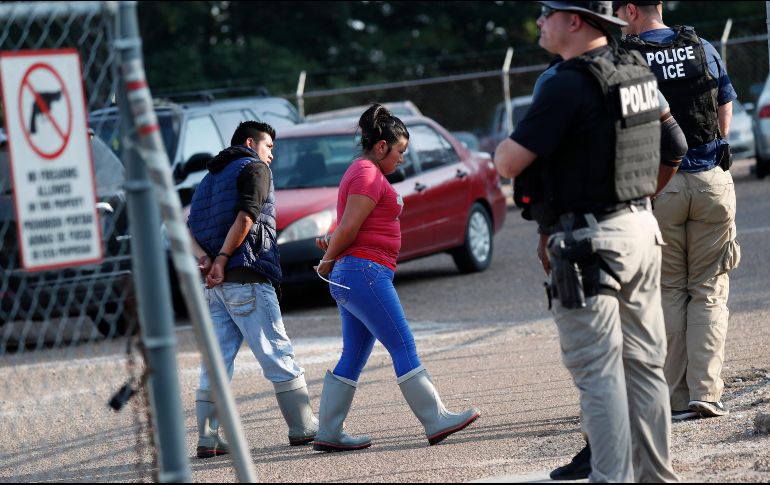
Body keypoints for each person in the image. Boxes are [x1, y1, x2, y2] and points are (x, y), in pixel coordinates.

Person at [495, 2, 680, 481]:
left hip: (593, 242)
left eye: (546, 12)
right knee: (644, 367)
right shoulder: (635, 69)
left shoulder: (567, 82)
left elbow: (508, 163)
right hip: (641, 229)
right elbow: (675, 145)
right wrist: (638, 200)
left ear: (574, 20)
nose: (538, 22)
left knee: (598, 374)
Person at [311, 104, 480, 452]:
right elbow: (350, 226)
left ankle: (329, 431)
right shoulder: (368, 174)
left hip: (356, 273)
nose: (403, 159)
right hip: (364, 273)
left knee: (353, 355)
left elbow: (349, 227)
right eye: (400, 151)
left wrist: (332, 246)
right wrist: (328, 258)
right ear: (381, 146)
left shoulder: (362, 173)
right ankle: (435, 419)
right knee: (403, 346)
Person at [613, 0, 741, 423]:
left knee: (668, 289)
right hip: (711, 181)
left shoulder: (624, 59)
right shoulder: (702, 47)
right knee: (708, 288)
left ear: (630, 10)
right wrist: (708, 149)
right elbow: (725, 107)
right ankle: (707, 392)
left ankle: (675, 397)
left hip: (659, 186)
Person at [187, 121, 318, 458]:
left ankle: (208, 437)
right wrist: (224, 258)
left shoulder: (209, 178)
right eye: (269, 147)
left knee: (215, 361)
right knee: (276, 352)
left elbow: (184, 228)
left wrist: (206, 260)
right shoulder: (254, 168)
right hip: (248, 274)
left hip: (215, 288)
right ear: (250, 142)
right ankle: (303, 427)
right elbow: (247, 217)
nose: (271, 155)